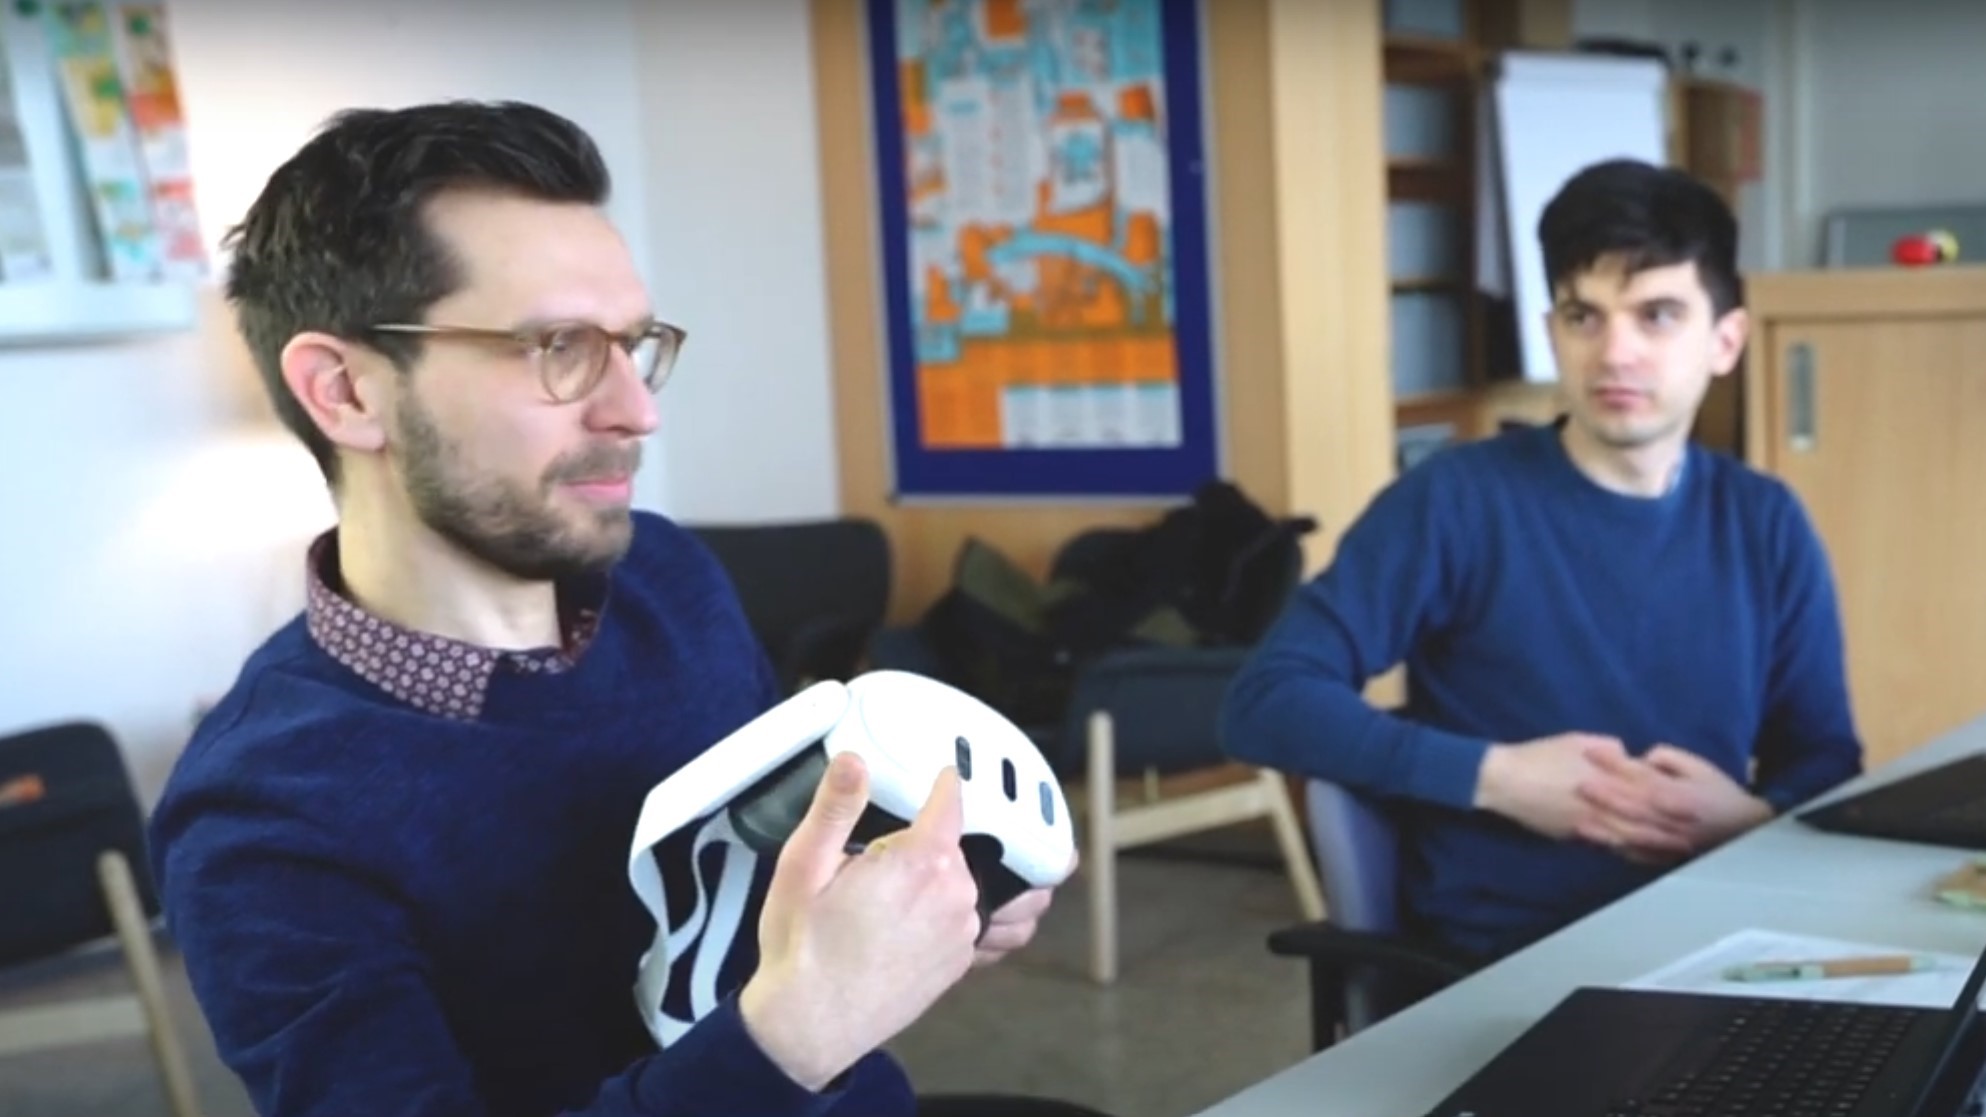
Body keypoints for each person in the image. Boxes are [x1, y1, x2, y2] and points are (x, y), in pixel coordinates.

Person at [147, 100, 1065, 1117]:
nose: (638, 409)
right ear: (346, 392)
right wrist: (796, 1034)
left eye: (632, 344)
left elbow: (763, 870)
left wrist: (926, 889)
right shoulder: (262, 816)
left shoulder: (667, 579)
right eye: (558, 347)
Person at [1219, 158, 1864, 961]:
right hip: (1505, 960)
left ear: (1724, 341)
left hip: (1718, 937)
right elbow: (1266, 699)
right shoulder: (1456, 500)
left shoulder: (1765, 521)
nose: (1614, 353)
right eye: (1583, 316)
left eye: (1657, 315)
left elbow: (1826, 754)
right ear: (1552, 328)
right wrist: (1498, 777)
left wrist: (1752, 818)